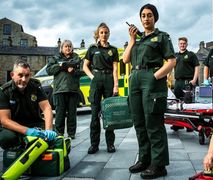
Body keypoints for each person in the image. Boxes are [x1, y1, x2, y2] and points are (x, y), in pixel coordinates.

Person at [123, 3, 176, 179]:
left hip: (151, 78)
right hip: (135, 78)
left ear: (155, 17)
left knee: (153, 123)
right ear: (140, 19)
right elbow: (125, 59)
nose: (146, 18)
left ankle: (159, 164)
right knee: (139, 123)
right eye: (143, 16)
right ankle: (145, 159)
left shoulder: (162, 37)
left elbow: (171, 61)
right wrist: (131, 40)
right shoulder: (137, 40)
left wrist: (155, 76)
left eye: (149, 15)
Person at [0, 60, 57, 150]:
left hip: (33, 123)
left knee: (56, 131)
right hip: (11, 126)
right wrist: (27, 131)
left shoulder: (36, 86)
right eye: (20, 75)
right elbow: (5, 120)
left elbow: (46, 108)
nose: (24, 79)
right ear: (12, 75)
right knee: (6, 138)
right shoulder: (4, 91)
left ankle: (28, 143)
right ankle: (26, 144)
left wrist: (48, 129)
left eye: (27, 76)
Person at [83, 22, 119, 154]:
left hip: (109, 79)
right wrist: (92, 77)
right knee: (94, 115)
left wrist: (116, 85)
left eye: (106, 32)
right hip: (96, 79)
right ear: (98, 34)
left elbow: (115, 69)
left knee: (109, 114)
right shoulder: (92, 49)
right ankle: (94, 145)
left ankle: (110, 144)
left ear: (109, 34)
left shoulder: (113, 50)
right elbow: (85, 66)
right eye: (101, 32)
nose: (104, 35)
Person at [46, 40, 83, 139]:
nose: (68, 48)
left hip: (73, 90)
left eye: (70, 46)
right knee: (60, 114)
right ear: (61, 48)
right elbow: (49, 70)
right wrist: (60, 66)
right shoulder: (55, 58)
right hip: (59, 91)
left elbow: (83, 70)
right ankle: (59, 134)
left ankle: (71, 134)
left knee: (72, 114)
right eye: (66, 46)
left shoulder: (77, 58)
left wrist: (74, 71)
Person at [171, 37, 199, 132]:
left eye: (184, 43)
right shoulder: (175, 55)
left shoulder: (191, 55)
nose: (182, 45)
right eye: (180, 43)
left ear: (186, 44)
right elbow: (170, 67)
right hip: (178, 82)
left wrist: (194, 79)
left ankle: (189, 126)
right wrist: (167, 78)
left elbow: (197, 67)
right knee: (176, 104)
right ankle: (177, 124)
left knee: (188, 105)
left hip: (188, 82)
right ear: (178, 44)